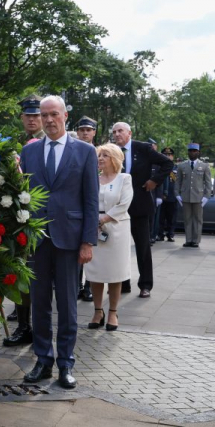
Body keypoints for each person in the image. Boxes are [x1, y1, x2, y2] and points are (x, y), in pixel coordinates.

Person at [20, 95, 99, 390]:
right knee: (39, 303)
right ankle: (43, 359)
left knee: (67, 304)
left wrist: (88, 241)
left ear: (65, 115)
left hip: (70, 239)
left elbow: (91, 199)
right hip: (37, 240)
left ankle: (66, 362)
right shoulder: (30, 152)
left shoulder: (85, 152)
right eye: (44, 115)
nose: (49, 120)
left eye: (54, 114)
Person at [112, 122, 172, 298]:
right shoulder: (112, 150)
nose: (117, 134)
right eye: (114, 132)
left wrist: (155, 180)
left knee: (143, 247)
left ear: (129, 133)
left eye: (120, 131)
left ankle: (145, 285)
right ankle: (122, 283)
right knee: (118, 247)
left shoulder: (142, 148)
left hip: (140, 204)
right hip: (117, 207)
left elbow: (167, 164)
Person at [4, 94, 44, 338]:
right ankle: (24, 325)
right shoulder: (20, 143)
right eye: (28, 115)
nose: (32, 119)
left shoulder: (49, 143)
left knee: (38, 277)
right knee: (22, 272)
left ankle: (34, 326)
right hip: (22, 220)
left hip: (41, 219)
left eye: (36, 115)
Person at [85, 144, 133, 332]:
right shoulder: (93, 179)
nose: (101, 158)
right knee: (95, 273)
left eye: (105, 155)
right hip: (94, 228)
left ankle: (113, 312)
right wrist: (93, 221)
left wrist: (104, 219)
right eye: (99, 155)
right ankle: (98, 311)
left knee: (115, 274)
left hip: (117, 227)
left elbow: (124, 203)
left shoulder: (124, 178)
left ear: (115, 158)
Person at [73, 116, 99, 302]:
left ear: (94, 132)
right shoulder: (73, 150)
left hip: (94, 203)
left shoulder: (99, 152)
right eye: (82, 130)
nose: (84, 133)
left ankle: (88, 286)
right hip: (76, 207)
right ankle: (77, 285)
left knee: (89, 252)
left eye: (88, 130)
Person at [175, 143, 213, 248]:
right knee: (187, 219)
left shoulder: (204, 166)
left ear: (198, 152)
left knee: (197, 219)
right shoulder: (182, 165)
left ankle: (196, 240)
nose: (192, 153)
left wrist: (206, 196)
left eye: (194, 151)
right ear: (188, 152)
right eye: (190, 151)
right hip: (185, 196)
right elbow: (178, 181)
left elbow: (208, 182)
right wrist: (177, 194)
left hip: (199, 197)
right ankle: (188, 240)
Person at [157, 147, 178, 242]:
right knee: (160, 217)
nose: (167, 156)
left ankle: (171, 234)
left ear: (172, 156)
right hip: (161, 196)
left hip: (173, 196)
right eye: (165, 155)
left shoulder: (176, 168)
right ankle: (160, 234)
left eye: (169, 155)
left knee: (171, 218)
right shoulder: (159, 167)